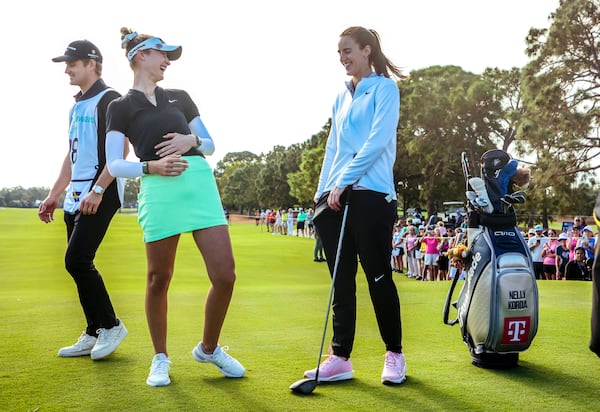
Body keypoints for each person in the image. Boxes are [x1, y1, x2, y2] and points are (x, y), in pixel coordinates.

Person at [105, 28, 245, 387]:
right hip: (159, 190)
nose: (167, 60)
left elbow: (210, 144)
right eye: (161, 53)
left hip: (199, 185)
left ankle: (209, 348)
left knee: (225, 275)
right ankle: (160, 357)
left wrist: (191, 140)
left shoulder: (180, 97)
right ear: (140, 56)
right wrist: (151, 167)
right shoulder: (119, 107)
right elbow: (116, 164)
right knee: (158, 278)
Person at [304, 26, 406, 385]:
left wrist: (346, 180)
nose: (343, 58)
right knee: (341, 281)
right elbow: (332, 149)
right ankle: (340, 357)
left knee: (378, 276)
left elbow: (379, 139)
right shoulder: (340, 97)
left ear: (366, 50)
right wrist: (321, 193)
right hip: (334, 198)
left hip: (372, 194)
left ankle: (394, 354)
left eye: (348, 51)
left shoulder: (385, 89)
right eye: (339, 53)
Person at [38, 39, 128, 361]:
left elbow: (121, 151)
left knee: (75, 260)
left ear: (92, 63)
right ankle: (93, 331)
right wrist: (54, 194)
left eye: (72, 64)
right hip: (76, 194)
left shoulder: (111, 100)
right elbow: (72, 154)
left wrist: (99, 189)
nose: (67, 70)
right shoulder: (77, 106)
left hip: (99, 192)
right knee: (79, 265)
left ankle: (111, 325)